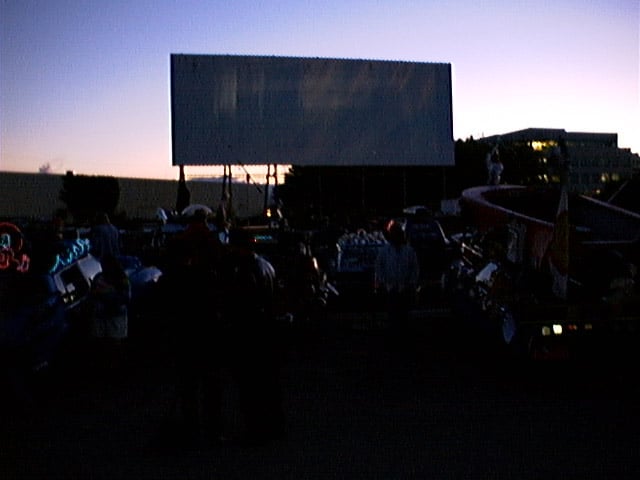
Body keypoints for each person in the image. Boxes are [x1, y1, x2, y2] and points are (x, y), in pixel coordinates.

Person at [159, 208, 225, 446]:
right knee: (211, 380)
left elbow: (166, 285)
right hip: (208, 322)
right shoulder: (212, 244)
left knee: (188, 380)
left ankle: (191, 426)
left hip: (184, 323)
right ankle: (214, 427)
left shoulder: (178, 245)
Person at [218, 230, 285, 446]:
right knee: (267, 383)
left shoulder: (246, 271)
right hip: (267, 333)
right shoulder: (266, 266)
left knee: (250, 385)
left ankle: (256, 428)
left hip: (250, 335)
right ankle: (273, 424)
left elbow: (242, 306)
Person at [374, 219, 420, 337]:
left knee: (404, 316)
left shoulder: (409, 251)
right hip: (391, 290)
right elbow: (379, 270)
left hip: (405, 289)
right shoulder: (384, 251)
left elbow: (414, 270)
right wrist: (385, 285)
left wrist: (410, 285)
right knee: (392, 316)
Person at [89, 253, 131, 373]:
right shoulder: (99, 277)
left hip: (116, 317)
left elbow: (126, 297)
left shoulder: (121, 278)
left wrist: (107, 296)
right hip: (101, 317)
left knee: (115, 345)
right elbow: (92, 294)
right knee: (102, 345)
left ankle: (117, 370)